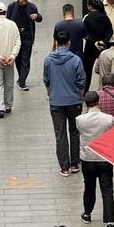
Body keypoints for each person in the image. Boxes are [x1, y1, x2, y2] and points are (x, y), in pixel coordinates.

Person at [43, 30, 86, 175]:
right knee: (74, 131)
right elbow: (81, 81)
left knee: (60, 133)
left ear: (56, 42)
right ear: (69, 43)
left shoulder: (48, 60)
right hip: (74, 101)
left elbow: (46, 80)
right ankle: (74, 163)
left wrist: (51, 93)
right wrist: (80, 96)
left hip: (56, 102)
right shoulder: (76, 60)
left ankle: (64, 167)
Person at [77, 91, 114, 227]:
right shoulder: (108, 119)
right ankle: (110, 222)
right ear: (98, 101)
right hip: (104, 158)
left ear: (85, 103)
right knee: (107, 189)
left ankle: (87, 214)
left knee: (89, 187)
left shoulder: (80, 119)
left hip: (88, 159)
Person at [7, 0, 42, 90]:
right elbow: (8, 21)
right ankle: (21, 77)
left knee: (25, 59)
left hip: (27, 35)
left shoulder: (32, 7)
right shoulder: (12, 7)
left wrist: (36, 16)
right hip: (16, 35)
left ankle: (22, 83)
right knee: (18, 59)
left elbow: (40, 18)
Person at [82, 0, 113, 93]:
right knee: (105, 71)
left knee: (87, 71)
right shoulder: (105, 17)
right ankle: (107, 91)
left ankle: (85, 92)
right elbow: (110, 31)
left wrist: (94, 42)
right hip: (103, 47)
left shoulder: (87, 18)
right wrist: (104, 41)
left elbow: (84, 34)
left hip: (90, 48)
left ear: (90, 6)